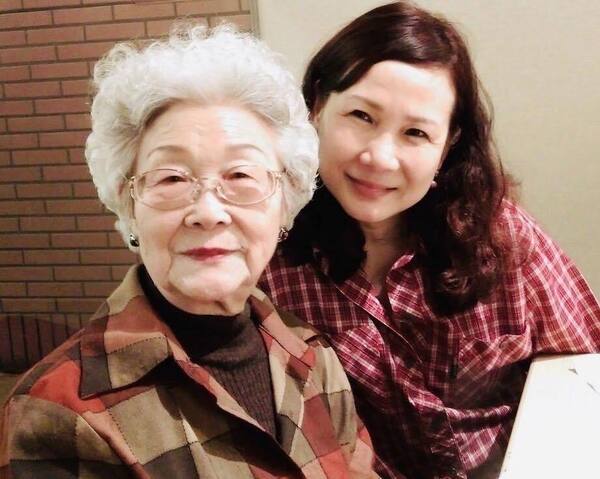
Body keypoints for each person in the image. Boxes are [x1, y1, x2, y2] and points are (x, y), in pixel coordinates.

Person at [0, 24, 378, 478]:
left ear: (285, 204)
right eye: (172, 178)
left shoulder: (314, 356)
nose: (208, 212)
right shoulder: (59, 410)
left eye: (240, 175)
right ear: (129, 205)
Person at [259, 2, 600, 478]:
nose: (380, 157)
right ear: (316, 107)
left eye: (416, 132)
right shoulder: (271, 255)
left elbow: (585, 365)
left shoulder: (500, 236)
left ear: (448, 144)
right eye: (361, 115)